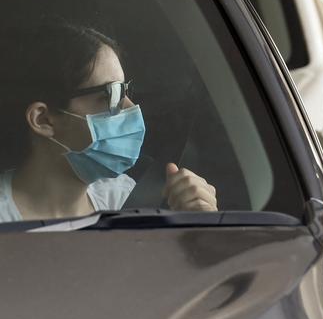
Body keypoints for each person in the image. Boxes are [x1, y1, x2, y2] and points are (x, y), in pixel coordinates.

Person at [0, 18, 217, 222]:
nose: (132, 107)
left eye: (126, 90)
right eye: (112, 94)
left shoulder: (125, 198)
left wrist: (199, 225)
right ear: (43, 119)